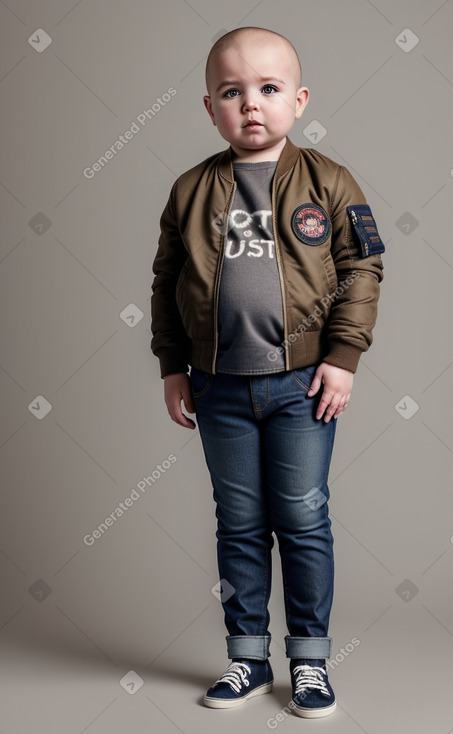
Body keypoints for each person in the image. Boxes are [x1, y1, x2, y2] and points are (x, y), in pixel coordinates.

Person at [150, 26, 384, 718]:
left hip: (301, 386)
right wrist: (172, 367)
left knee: (303, 519)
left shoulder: (329, 181)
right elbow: (165, 283)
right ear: (210, 108)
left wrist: (342, 359)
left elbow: (362, 268)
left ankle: (308, 661)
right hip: (217, 385)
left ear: (298, 99)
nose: (251, 104)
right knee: (238, 522)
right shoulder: (191, 190)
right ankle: (246, 658)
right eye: (232, 92)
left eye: (268, 89)